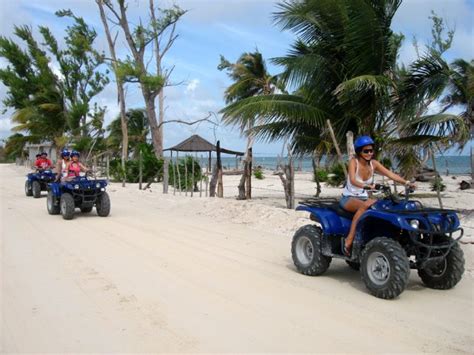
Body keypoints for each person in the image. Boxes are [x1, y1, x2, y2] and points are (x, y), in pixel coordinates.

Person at [340, 136, 416, 256]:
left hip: (364, 198)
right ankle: (349, 238)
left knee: (385, 206)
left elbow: (390, 174)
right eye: (366, 151)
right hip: (348, 198)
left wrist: (406, 183)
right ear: (359, 151)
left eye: (371, 150)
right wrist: (367, 186)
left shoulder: (373, 164)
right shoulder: (353, 162)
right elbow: (353, 180)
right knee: (366, 205)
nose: (369, 153)